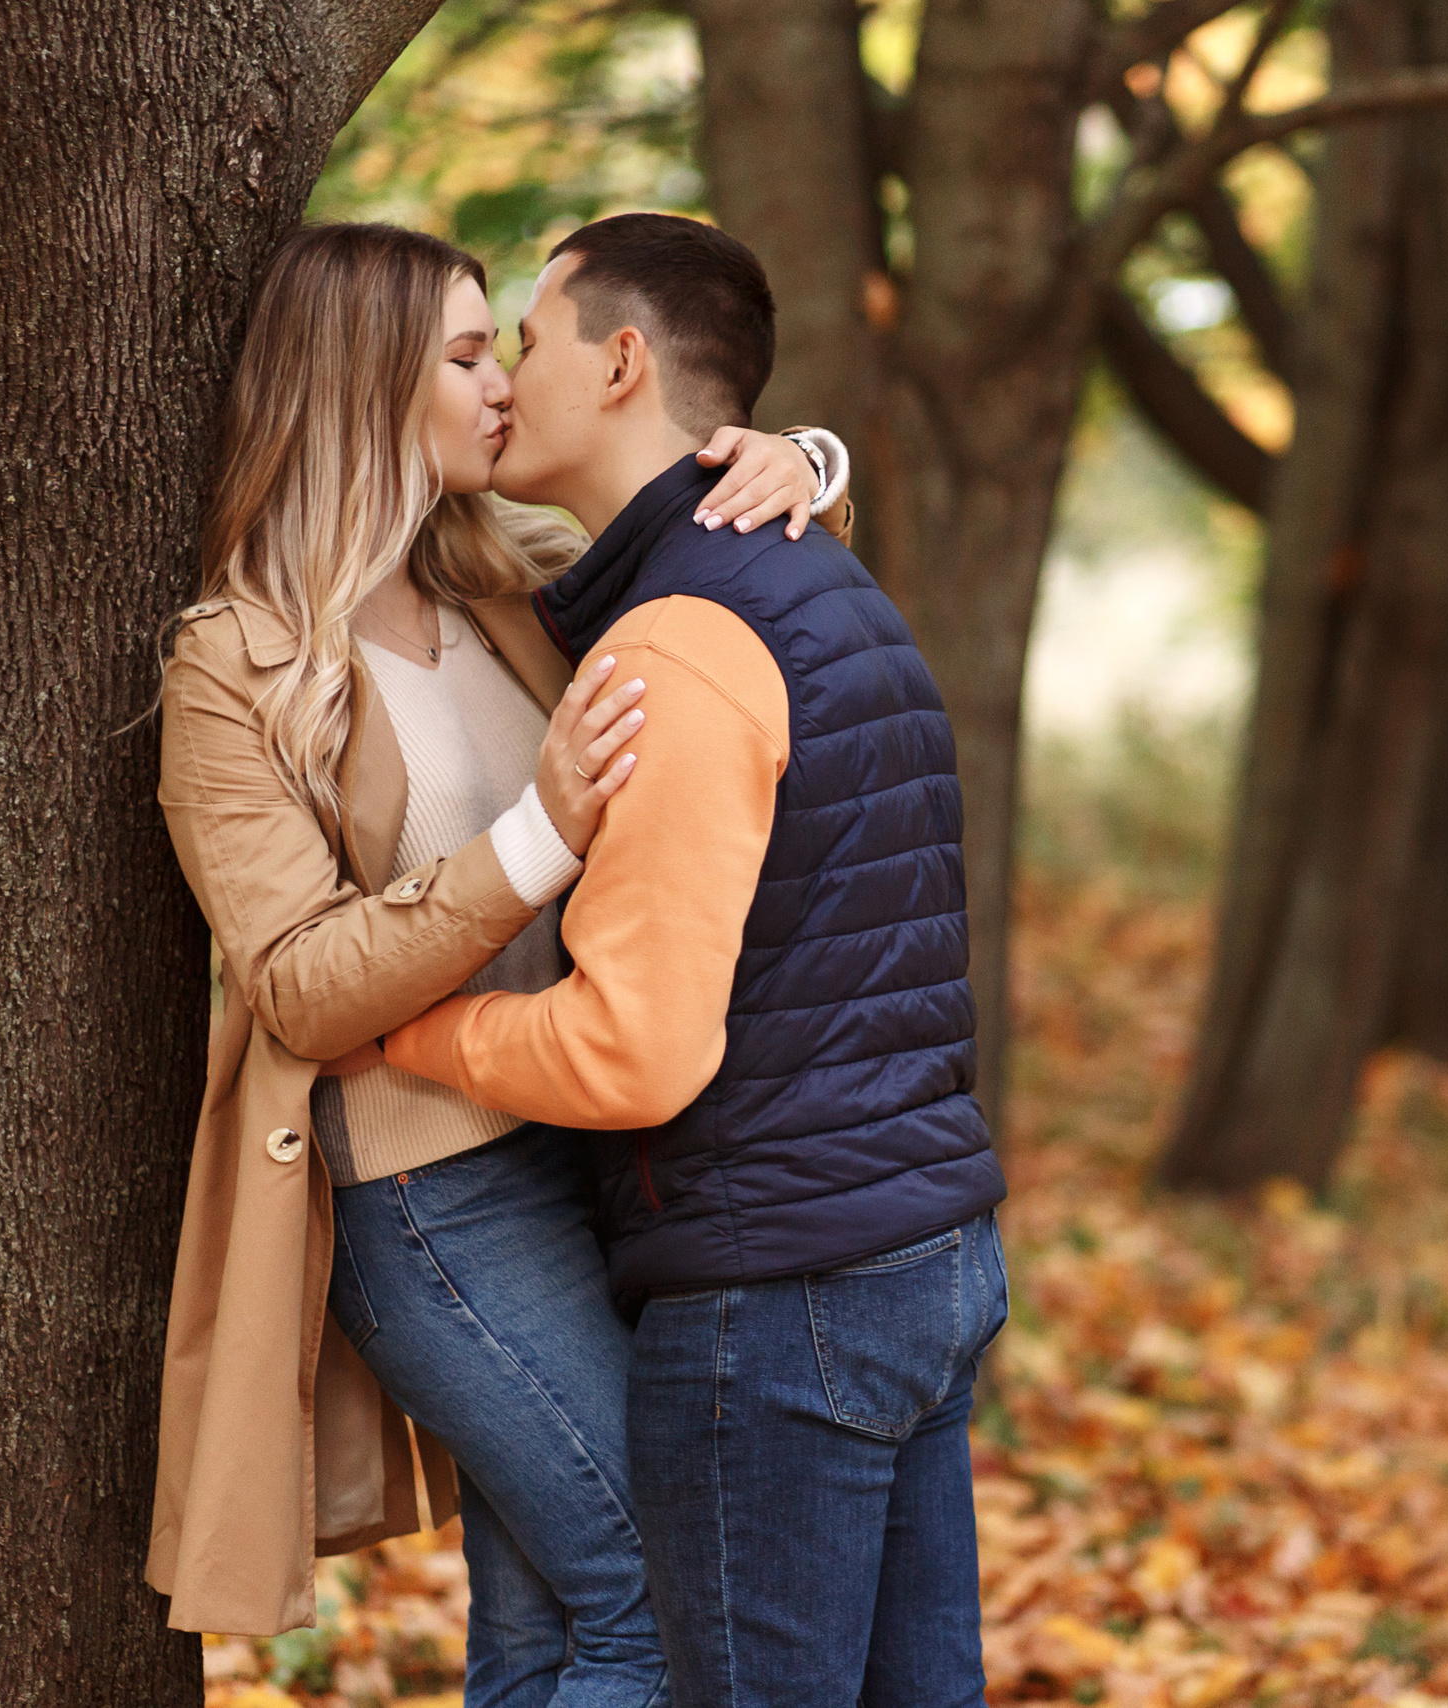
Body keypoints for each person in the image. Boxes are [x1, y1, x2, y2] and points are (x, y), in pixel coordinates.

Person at [142, 221, 852, 1708]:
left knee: (549, 1626)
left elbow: (734, 586)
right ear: (363, 387)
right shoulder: (234, 663)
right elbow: (295, 983)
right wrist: (537, 837)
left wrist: (803, 459)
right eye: (469, 358)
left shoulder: (509, 579)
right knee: (649, 1596)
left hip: (587, 1140)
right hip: (431, 1194)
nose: (503, 388)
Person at [383, 211, 1009, 1708]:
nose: (509, 376)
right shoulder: (821, 582)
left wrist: (413, 1036)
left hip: (782, 1297)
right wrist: (818, 456)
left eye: (525, 341)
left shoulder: (679, 641)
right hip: (927, 1250)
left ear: (619, 364)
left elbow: (636, 1051)